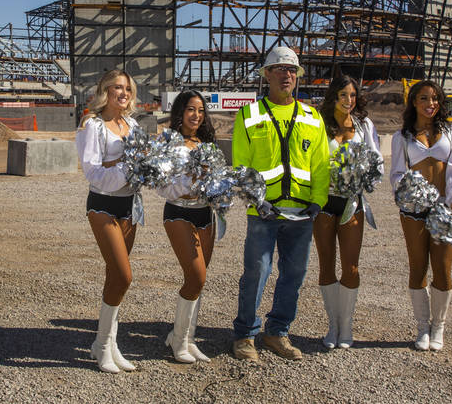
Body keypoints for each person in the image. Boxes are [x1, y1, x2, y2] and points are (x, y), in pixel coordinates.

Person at [231, 46, 330, 362]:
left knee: (294, 274)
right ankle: (245, 335)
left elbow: (321, 163)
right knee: (256, 272)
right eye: (280, 69)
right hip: (263, 212)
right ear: (267, 75)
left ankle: (277, 332)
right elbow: (241, 166)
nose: (287, 75)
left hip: (301, 214)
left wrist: (318, 202)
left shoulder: (312, 117)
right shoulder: (249, 115)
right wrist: (257, 201)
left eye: (292, 70)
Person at [389, 79, 452, 351]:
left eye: (434, 99)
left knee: (443, 269)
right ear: (413, 102)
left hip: (445, 208)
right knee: (417, 266)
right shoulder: (403, 136)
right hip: (414, 211)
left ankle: (439, 327)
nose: (430, 104)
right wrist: (410, 194)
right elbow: (397, 173)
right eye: (423, 98)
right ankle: (422, 327)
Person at [75, 69, 141, 373]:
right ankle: (102, 345)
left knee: (114, 276)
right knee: (124, 276)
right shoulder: (93, 126)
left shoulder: (134, 125)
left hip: (130, 206)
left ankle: (108, 343)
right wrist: (127, 167)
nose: (123, 93)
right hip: (102, 204)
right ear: (105, 91)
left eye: (127, 88)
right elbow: (92, 171)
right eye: (117, 87)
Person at [314, 72, 383, 349]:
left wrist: (365, 179)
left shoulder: (363, 125)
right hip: (325, 202)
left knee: (351, 267)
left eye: (353, 95)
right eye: (343, 95)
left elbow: (375, 160)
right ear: (334, 96)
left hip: (352, 202)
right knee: (326, 264)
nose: (349, 100)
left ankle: (347, 325)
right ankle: (332, 325)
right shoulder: (319, 124)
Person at [155, 90, 216, 363]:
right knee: (196, 277)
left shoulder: (206, 142)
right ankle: (178, 341)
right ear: (180, 112)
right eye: (191, 109)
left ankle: (186, 337)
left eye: (201, 111)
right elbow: (160, 185)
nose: (197, 115)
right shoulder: (168, 142)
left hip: (207, 214)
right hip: (179, 212)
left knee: (198, 280)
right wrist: (190, 183)